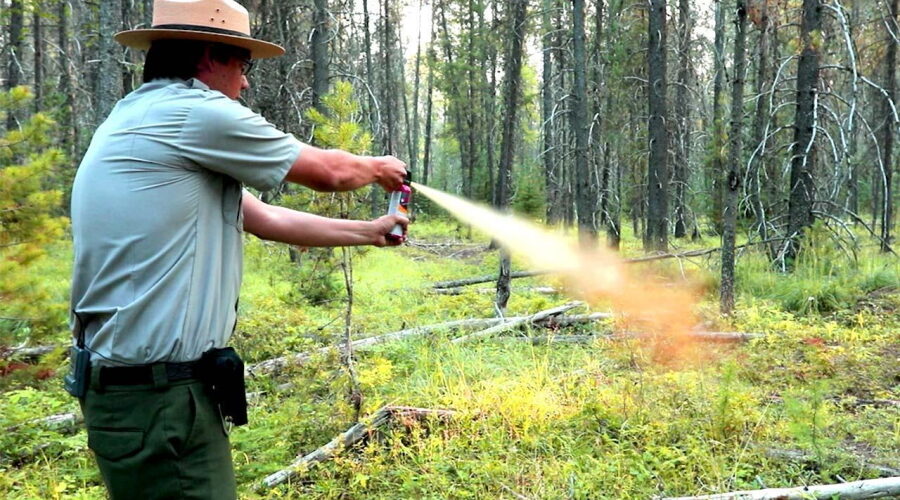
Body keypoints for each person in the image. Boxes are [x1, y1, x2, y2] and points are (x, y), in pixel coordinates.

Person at [67, 0, 408, 498]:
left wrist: (370, 231)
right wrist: (379, 168)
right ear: (210, 56)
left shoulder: (142, 117)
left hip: (156, 393)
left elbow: (264, 219)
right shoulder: (191, 112)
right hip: (158, 399)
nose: (246, 83)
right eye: (244, 65)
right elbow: (329, 173)